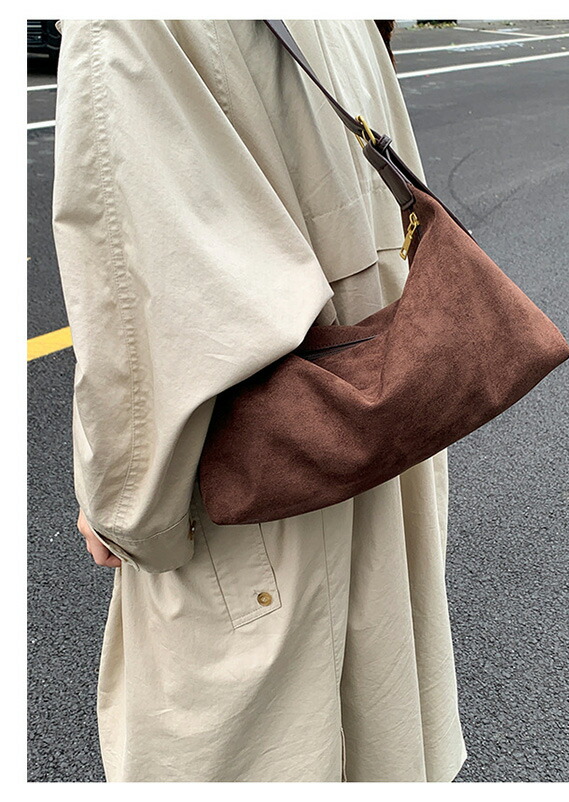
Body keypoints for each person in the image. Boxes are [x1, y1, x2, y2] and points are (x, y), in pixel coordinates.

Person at [52, 18, 467, 782]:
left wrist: (123, 512)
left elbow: (139, 322)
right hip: (377, 447)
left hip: (258, 508)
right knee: (377, 736)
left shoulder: (124, 23)